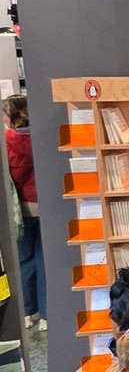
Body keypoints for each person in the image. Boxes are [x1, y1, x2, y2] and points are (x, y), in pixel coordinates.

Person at [2, 95, 46, 331]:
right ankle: (47, 314)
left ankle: (27, 312)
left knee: (24, 260)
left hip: (21, 210)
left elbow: (12, 177)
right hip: (45, 206)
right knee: (44, 260)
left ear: (10, 117)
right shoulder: (43, 137)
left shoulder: (7, 140)